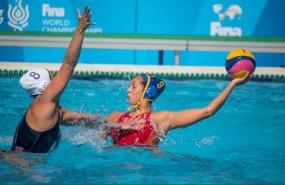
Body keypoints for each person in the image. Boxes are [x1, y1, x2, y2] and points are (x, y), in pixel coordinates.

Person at [10, 5, 97, 153]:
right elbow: (69, 64)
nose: (56, 78)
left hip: (26, 167)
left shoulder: (53, 111)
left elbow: (84, 120)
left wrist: (118, 126)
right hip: (19, 167)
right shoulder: (44, 103)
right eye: (52, 76)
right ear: (46, 86)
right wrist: (80, 30)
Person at [103, 72, 253, 147]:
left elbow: (207, 111)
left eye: (133, 86)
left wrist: (232, 84)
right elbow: (95, 141)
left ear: (147, 92)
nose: (128, 90)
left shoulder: (161, 119)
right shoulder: (115, 117)